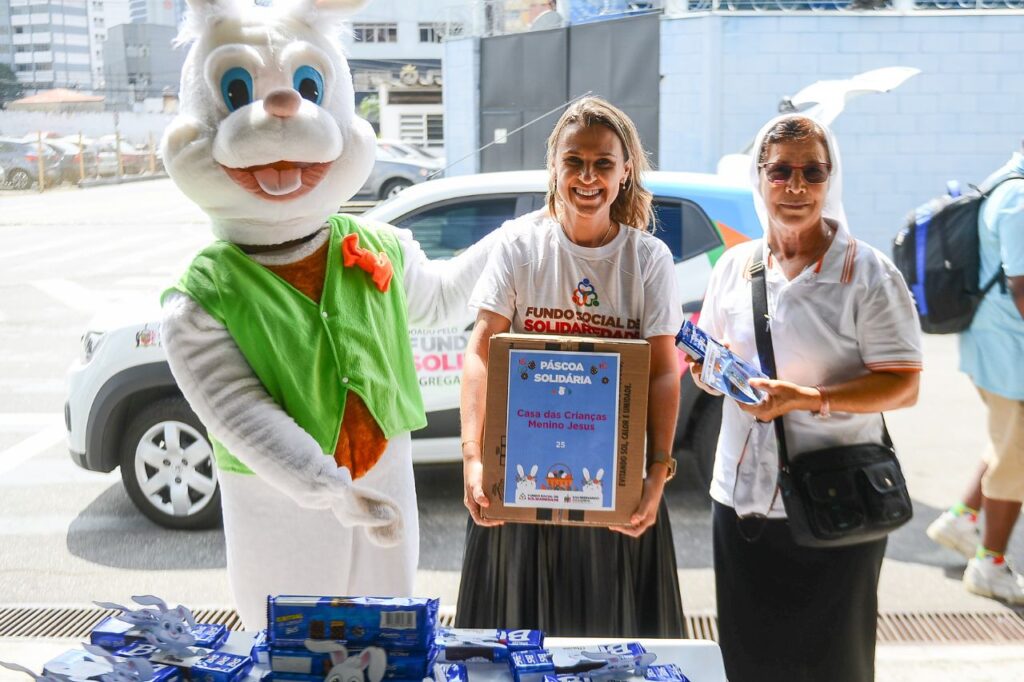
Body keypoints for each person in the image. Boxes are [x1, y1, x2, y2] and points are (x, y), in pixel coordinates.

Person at [690, 114, 921, 682]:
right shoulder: (735, 267)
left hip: (836, 497)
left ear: (829, 178)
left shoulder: (868, 274)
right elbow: (709, 358)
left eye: (812, 172)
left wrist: (806, 398)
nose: (796, 187)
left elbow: (904, 383)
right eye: (782, 171)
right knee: (748, 659)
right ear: (759, 176)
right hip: (741, 498)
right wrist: (708, 370)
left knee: (834, 662)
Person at [455, 96, 686, 637]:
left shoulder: (647, 259)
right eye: (573, 162)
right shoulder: (519, 245)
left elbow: (661, 371)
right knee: (514, 652)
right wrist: (472, 458)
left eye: (603, 163)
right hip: (520, 486)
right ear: (553, 167)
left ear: (625, 172)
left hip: (615, 491)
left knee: (610, 650)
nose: (588, 177)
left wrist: (657, 474)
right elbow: (482, 352)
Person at [925, 144, 1024, 603]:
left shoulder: (1003, 179)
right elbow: (1023, 287)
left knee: (1009, 440)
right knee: (1016, 459)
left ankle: (962, 520)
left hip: (994, 343)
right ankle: (990, 565)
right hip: (1010, 350)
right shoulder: (1019, 197)